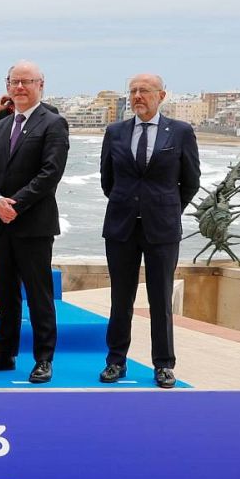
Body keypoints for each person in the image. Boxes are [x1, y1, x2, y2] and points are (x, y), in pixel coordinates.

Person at [100, 74, 201, 388]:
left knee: (160, 299)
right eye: (133, 91)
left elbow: (190, 181)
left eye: (144, 90)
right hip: (121, 226)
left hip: (162, 228)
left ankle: (164, 364)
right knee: (120, 298)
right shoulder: (115, 132)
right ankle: (116, 361)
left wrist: (165, 208)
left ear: (161, 95)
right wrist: (130, 205)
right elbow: (107, 180)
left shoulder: (180, 132)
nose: (137, 96)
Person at [0, 60, 69, 383]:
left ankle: (43, 358)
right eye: (15, 82)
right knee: (6, 294)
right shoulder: (0, 126)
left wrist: (17, 204)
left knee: (39, 295)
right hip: (1, 223)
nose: (20, 87)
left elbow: (50, 173)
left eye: (27, 81)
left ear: (41, 85)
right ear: (8, 86)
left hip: (34, 224)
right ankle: (4, 353)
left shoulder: (53, 123)